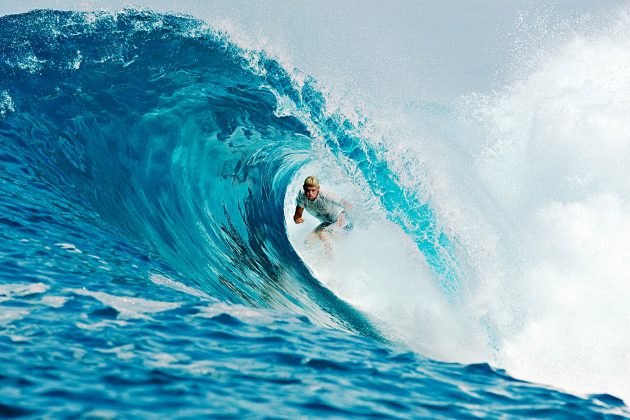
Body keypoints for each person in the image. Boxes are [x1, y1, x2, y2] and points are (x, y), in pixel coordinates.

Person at [293, 176, 353, 246]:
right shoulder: (302, 197)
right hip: (328, 224)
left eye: (313, 190)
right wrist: (297, 218)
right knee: (308, 242)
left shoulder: (326, 195)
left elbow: (349, 205)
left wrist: (343, 214)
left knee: (323, 234)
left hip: (344, 223)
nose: (310, 193)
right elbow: (297, 214)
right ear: (304, 188)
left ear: (318, 189)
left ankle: (332, 256)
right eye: (307, 190)